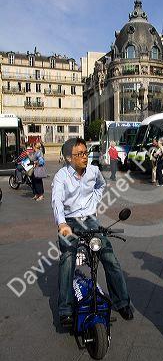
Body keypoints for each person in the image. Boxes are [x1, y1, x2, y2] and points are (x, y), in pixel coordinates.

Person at [51, 137, 133, 327]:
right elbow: (56, 201)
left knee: (109, 257)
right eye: (79, 154)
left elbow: (101, 185)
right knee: (68, 259)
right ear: (69, 158)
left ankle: (122, 302)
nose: (84, 157)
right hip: (70, 221)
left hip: (89, 219)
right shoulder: (61, 176)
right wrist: (62, 223)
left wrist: (93, 204)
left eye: (85, 152)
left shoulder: (94, 171)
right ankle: (65, 309)